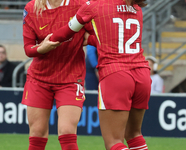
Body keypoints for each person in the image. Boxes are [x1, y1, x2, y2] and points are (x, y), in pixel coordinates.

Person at [49, 0, 151, 149]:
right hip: (141, 74)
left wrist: (45, 42)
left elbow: (66, 32)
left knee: (114, 142)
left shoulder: (93, 7)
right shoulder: (136, 6)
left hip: (115, 74)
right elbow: (114, 38)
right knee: (134, 135)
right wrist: (90, 39)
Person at [22, 0, 93, 150]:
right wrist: (43, 48)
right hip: (38, 78)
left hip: (71, 77)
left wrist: (87, 38)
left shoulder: (81, 4)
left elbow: (96, 33)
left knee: (67, 132)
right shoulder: (32, 7)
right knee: (37, 134)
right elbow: (28, 49)